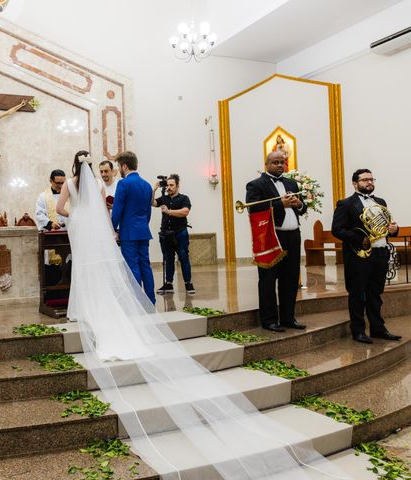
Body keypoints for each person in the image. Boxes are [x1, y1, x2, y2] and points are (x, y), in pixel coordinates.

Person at [53, 155, 347, 480]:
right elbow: (133, 207)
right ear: (96, 168)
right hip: (132, 231)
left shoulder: (89, 184)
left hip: (88, 231)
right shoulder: (106, 184)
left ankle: (91, 309)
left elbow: (67, 210)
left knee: (93, 272)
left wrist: (86, 218)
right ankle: (147, 302)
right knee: (138, 272)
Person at [331, 169, 401, 344]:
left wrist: (394, 230)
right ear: (355, 183)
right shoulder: (345, 204)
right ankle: (358, 331)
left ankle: (378, 329)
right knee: (357, 294)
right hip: (358, 255)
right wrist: (360, 239)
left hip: (380, 253)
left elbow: (386, 226)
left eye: (371, 179)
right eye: (365, 180)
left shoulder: (380, 201)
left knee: (375, 294)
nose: (369, 182)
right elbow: (337, 230)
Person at [246, 150, 307, 332]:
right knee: (268, 280)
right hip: (272, 237)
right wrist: (281, 204)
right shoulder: (256, 185)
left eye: (283, 162)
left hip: (293, 236)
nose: (280, 165)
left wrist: (299, 204)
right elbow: (254, 209)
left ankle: (288, 318)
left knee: (290, 279)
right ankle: (269, 320)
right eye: (276, 162)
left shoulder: (291, 183)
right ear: (267, 164)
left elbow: (301, 208)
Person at [111, 151, 156, 304]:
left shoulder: (123, 184)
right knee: (145, 265)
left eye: (119, 166)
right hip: (143, 231)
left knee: (132, 267)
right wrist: (142, 225)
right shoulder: (147, 185)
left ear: (124, 166)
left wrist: (112, 228)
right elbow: (148, 211)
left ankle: (136, 302)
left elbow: (117, 209)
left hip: (128, 233)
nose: (119, 170)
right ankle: (150, 300)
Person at [152, 174, 194, 295]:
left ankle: (188, 284)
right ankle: (168, 284)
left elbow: (185, 212)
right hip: (166, 234)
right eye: (168, 185)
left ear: (177, 186)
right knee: (168, 259)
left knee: (183, 257)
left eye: (172, 185)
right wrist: (154, 190)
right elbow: (152, 203)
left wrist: (168, 211)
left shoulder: (184, 198)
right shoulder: (164, 198)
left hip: (180, 233)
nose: (169, 187)